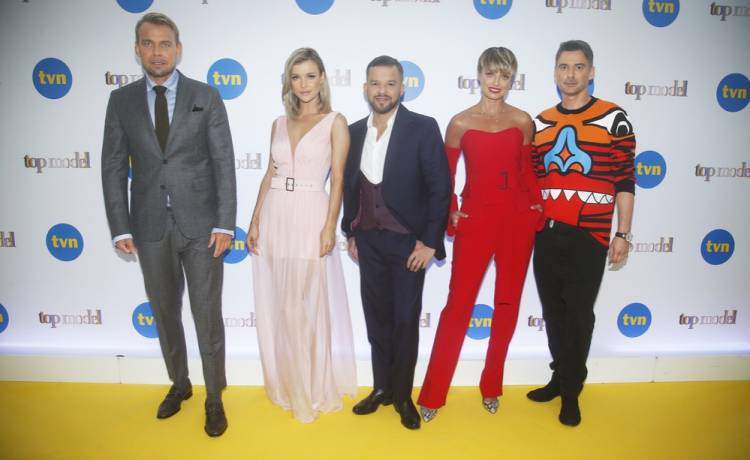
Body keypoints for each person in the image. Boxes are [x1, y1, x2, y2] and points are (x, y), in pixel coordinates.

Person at [101, 12, 236, 437]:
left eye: (164, 44)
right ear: (137, 49)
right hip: (149, 226)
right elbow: (112, 166)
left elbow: (223, 162)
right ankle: (180, 384)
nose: (157, 52)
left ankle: (214, 397)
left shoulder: (206, 95)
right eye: (148, 43)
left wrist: (225, 224)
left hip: (202, 227)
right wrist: (120, 227)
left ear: (178, 49)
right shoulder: (121, 101)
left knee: (206, 314)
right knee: (164, 311)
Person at [417, 47, 544, 423]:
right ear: (479, 75)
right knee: (458, 306)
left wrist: (536, 207)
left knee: (507, 304)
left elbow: (526, 171)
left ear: (513, 79)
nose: (497, 82)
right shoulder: (459, 123)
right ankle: (433, 393)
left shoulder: (522, 121)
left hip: (517, 221)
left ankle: (492, 386)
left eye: (504, 75)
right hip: (476, 222)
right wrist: (451, 210)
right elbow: (444, 177)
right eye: (491, 74)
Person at [528, 40, 635, 426]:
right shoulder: (540, 123)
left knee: (578, 315)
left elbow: (625, 179)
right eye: (563, 67)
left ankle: (572, 391)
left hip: (589, 236)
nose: (570, 74)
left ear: (591, 72)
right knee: (553, 312)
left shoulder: (614, 118)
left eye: (578, 67)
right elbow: (533, 181)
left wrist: (622, 234)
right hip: (545, 234)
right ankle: (560, 377)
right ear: (554, 72)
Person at [341, 55, 451, 430]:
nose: (382, 90)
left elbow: (440, 189)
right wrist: (351, 231)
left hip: (408, 244)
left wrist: (429, 242)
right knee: (377, 320)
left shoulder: (423, 127)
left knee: (404, 321)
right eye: (375, 83)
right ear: (365, 88)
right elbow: (349, 187)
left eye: (390, 83)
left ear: (402, 88)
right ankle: (382, 388)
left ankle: (403, 396)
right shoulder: (353, 132)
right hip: (368, 241)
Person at [247, 48, 356, 423]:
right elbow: (269, 174)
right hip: (275, 213)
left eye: (310, 76)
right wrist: (255, 219)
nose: (304, 84)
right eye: (296, 77)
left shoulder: (335, 122)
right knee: (284, 306)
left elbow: (338, 179)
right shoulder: (278, 123)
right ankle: (294, 385)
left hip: (311, 213)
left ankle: (310, 389)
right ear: (288, 82)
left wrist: (329, 226)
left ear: (322, 78)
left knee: (300, 307)